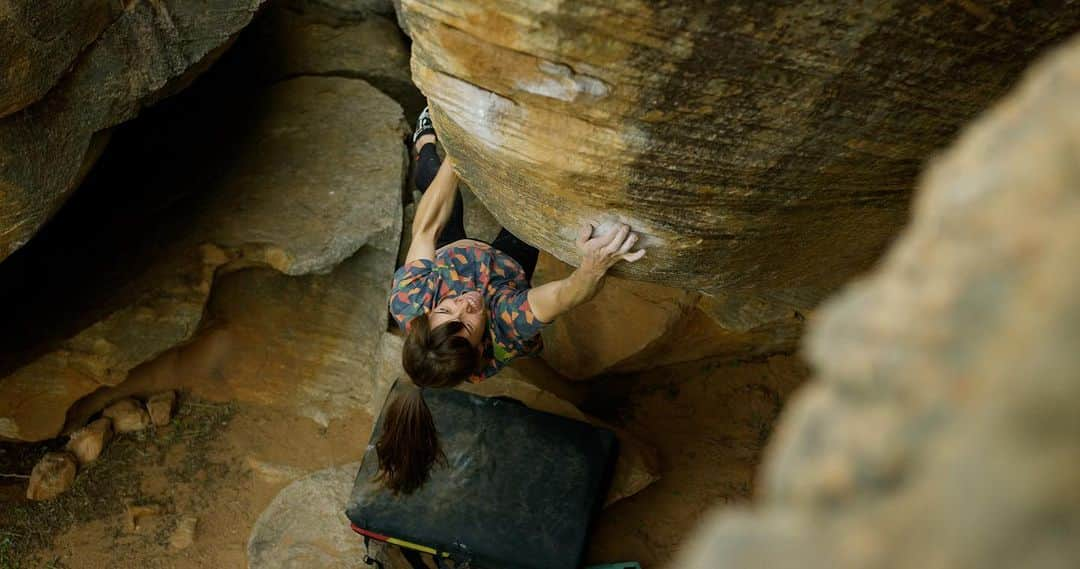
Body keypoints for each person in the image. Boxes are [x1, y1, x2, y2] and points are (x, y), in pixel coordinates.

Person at [377, 107, 646, 494]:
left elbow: (427, 227)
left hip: (456, 254)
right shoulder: (508, 326)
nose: (465, 301)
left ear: (424, 316)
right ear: (482, 343)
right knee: (534, 214)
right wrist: (593, 265)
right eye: (468, 322)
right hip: (507, 271)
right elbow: (566, 295)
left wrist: (457, 150)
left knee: (430, 174)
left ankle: (423, 137)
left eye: (446, 308)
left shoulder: (410, 300)